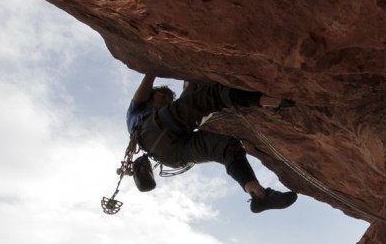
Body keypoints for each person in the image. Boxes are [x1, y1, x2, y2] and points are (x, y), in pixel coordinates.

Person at [126, 74, 298, 213]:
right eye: (163, 97)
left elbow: (189, 101)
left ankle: (258, 194)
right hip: (153, 130)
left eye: (169, 99)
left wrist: (192, 79)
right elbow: (150, 76)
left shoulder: (170, 111)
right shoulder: (138, 110)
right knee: (214, 95)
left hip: (170, 154)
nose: (166, 101)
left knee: (227, 147)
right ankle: (275, 100)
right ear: (150, 99)